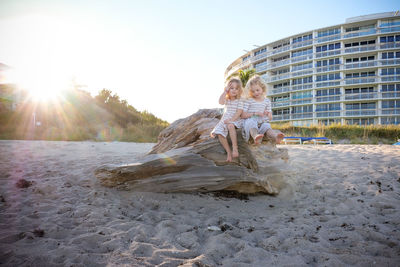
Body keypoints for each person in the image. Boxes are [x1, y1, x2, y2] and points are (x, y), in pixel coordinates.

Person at [240, 75, 284, 145]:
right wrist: (255, 113)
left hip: (262, 121)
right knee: (251, 123)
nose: (255, 93)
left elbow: (270, 118)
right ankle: (256, 137)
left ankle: (275, 137)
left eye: (257, 90)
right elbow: (242, 115)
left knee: (267, 126)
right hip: (250, 120)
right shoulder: (249, 100)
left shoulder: (267, 101)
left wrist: (268, 114)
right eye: (253, 91)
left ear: (263, 88)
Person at [211, 78, 244, 162]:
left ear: (239, 90)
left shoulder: (240, 100)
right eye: (231, 88)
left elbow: (239, 112)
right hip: (225, 119)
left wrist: (231, 120)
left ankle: (235, 148)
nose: (234, 90)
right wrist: (225, 92)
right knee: (219, 133)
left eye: (236, 88)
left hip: (235, 119)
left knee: (230, 126)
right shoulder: (227, 99)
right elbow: (220, 102)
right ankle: (228, 152)